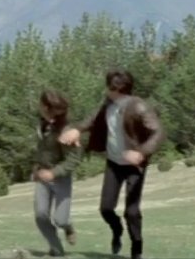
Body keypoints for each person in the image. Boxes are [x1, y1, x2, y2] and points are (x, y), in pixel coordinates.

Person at [58, 70, 165, 259]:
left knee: (132, 211)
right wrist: (77, 130)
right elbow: (91, 120)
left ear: (116, 88)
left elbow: (158, 132)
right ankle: (117, 230)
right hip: (114, 163)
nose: (106, 90)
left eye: (108, 87)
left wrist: (141, 152)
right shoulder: (107, 104)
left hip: (134, 165)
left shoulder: (139, 106)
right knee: (106, 209)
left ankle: (137, 249)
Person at [33, 90, 83, 257]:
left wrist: (53, 173)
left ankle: (68, 227)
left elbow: (74, 159)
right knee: (40, 216)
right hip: (42, 176)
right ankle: (57, 250)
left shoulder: (67, 130)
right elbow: (42, 149)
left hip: (61, 178)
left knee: (60, 220)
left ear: (47, 107)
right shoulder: (41, 124)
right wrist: (36, 167)